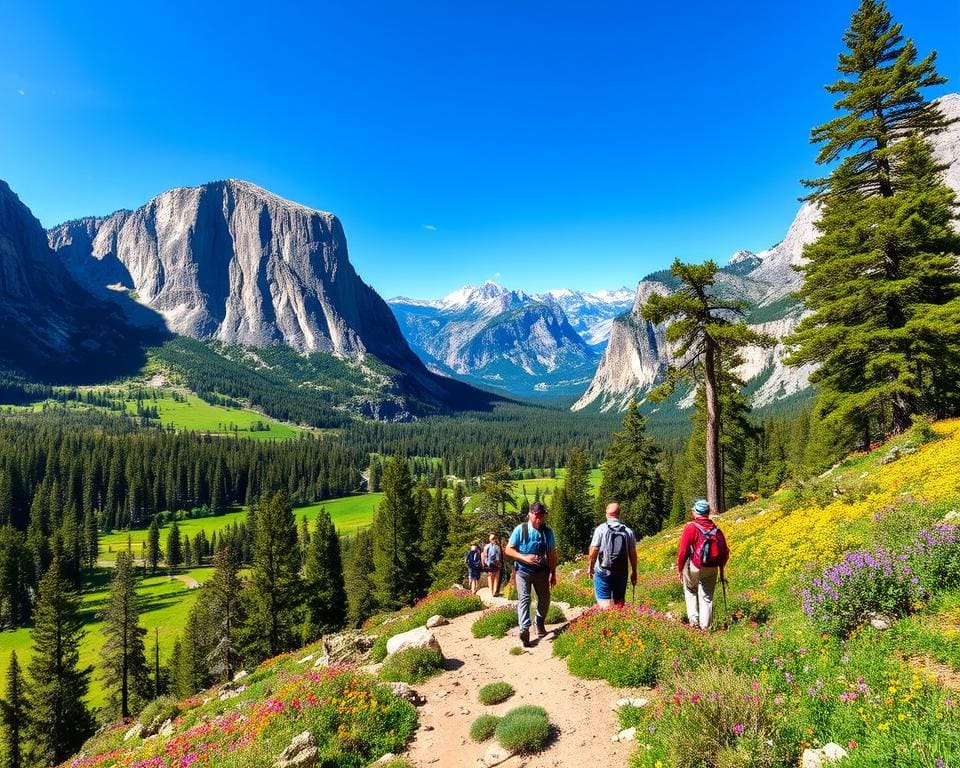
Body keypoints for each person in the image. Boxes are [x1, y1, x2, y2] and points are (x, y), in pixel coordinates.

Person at [505, 501, 557, 647]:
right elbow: (508, 550)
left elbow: (552, 554)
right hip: (522, 571)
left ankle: (539, 622)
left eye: (542, 516)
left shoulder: (548, 532)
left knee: (545, 599)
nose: (540, 519)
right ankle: (524, 629)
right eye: (537, 516)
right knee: (524, 599)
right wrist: (524, 558)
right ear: (530, 514)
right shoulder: (520, 530)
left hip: (542, 571)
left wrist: (553, 573)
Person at [676, 499, 729, 629]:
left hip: (695, 566)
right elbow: (725, 552)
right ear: (708, 512)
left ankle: (694, 624)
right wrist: (721, 569)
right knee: (706, 597)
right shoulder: (716, 530)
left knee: (690, 590)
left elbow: (683, 552)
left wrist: (680, 569)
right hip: (712, 567)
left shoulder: (691, 527)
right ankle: (705, 628)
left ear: (696, 512)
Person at [588, 502, 637, 608]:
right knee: (619, 600)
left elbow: (593, 552)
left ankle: (607, 618)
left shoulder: (600, 529)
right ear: (619, 514)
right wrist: (634, 571)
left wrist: (590, 567)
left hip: (603, 570)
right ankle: (618, 619)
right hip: (621, 571)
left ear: (607, 514)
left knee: (604, 601)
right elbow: (633, 554)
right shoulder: (628, 531)